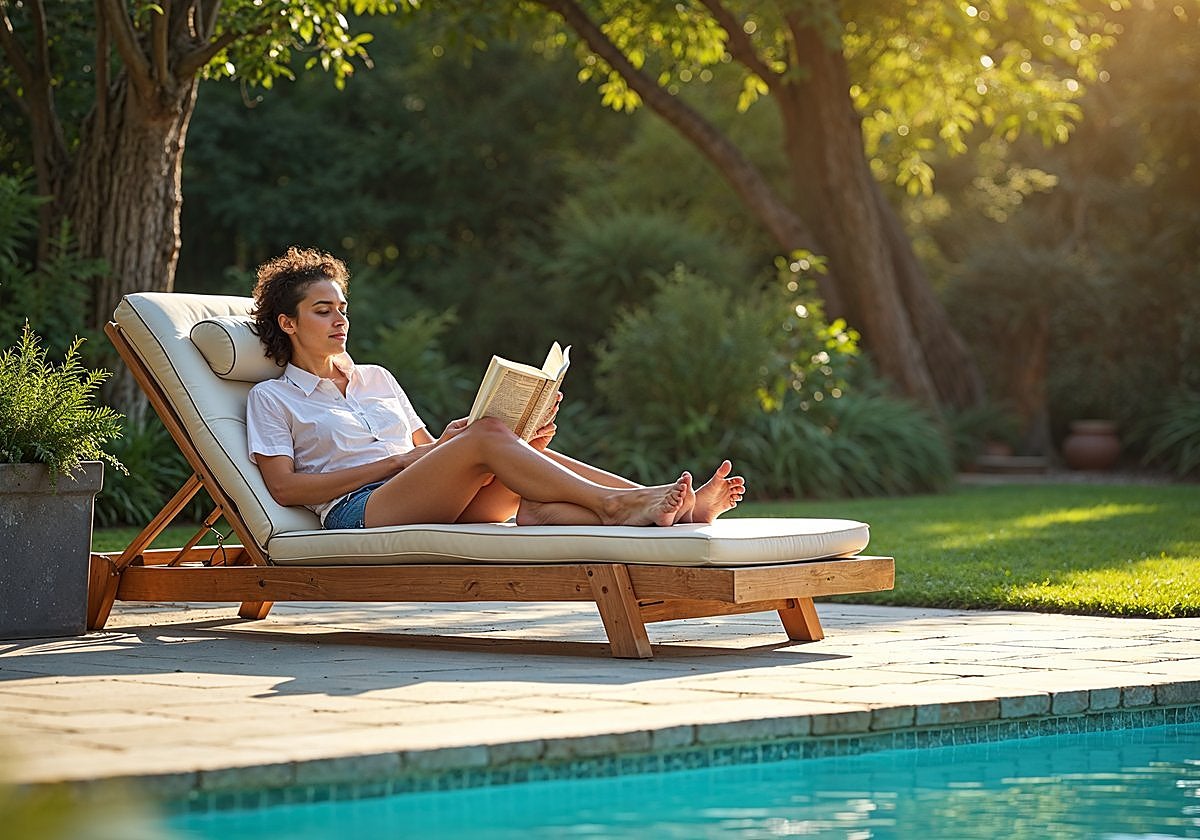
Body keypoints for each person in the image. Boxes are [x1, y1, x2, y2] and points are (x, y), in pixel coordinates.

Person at [245, 247, 745, 531]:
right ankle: (620, 502)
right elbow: (285, 488)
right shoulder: (272, 398)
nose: (340, 320)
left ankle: (675, 509)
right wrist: (399, 463)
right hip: (361, 509)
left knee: (522, 476)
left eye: (342, 308)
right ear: (288, 322)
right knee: (486, 436)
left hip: (425, 491)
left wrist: (513, 443)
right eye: (323, 311)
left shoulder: (376, 378)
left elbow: (427, 452)